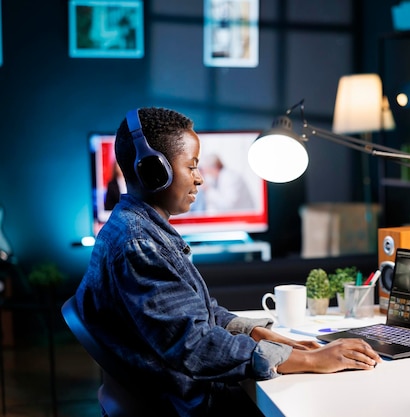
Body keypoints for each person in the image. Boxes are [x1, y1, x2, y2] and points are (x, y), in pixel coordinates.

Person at [74, 107, 381, 417]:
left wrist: (259, 335)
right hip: (193, 404)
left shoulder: (136, 228)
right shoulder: (138, 244)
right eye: (191, 166)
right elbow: (196, 346)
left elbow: (193, 315)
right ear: (155, 171)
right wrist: (313, 361)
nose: (199, 179)